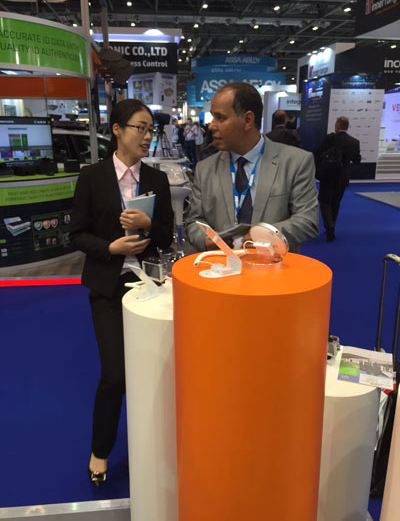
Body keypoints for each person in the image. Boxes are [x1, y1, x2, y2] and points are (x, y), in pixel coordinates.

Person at [70, 99, 174, 486]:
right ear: (117, 129)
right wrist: (110, 247)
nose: (147, 137)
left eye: (151, 130)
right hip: (108, 287)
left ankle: (159, 443)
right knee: (115, 376)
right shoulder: (92, 176)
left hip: (152, 286)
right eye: (140, 128)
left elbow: (166, 237)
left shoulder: (157, 179)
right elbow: (76, 234)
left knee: (160, 372)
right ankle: (101, 449)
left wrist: (148, 224)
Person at [185, 82, 319, 253]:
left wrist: (264, 235)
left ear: (248, 120)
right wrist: (207, 240)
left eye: (221, 118)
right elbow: (194, 221)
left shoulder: (295, 162)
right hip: (221, 266)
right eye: (213, 117)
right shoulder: (205, 169)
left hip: (274, 265)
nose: (211, 126)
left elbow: (307, 220)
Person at [314, 116, 361, 241]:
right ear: (347, 127)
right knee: (336, 202)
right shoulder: (354, 142)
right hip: (342, 177)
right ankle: (332, 224)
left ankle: (328, 226)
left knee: (324, 201)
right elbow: (357, 160)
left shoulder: (330, 138)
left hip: (327, 175)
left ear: (337, 126)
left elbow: (317, 152)